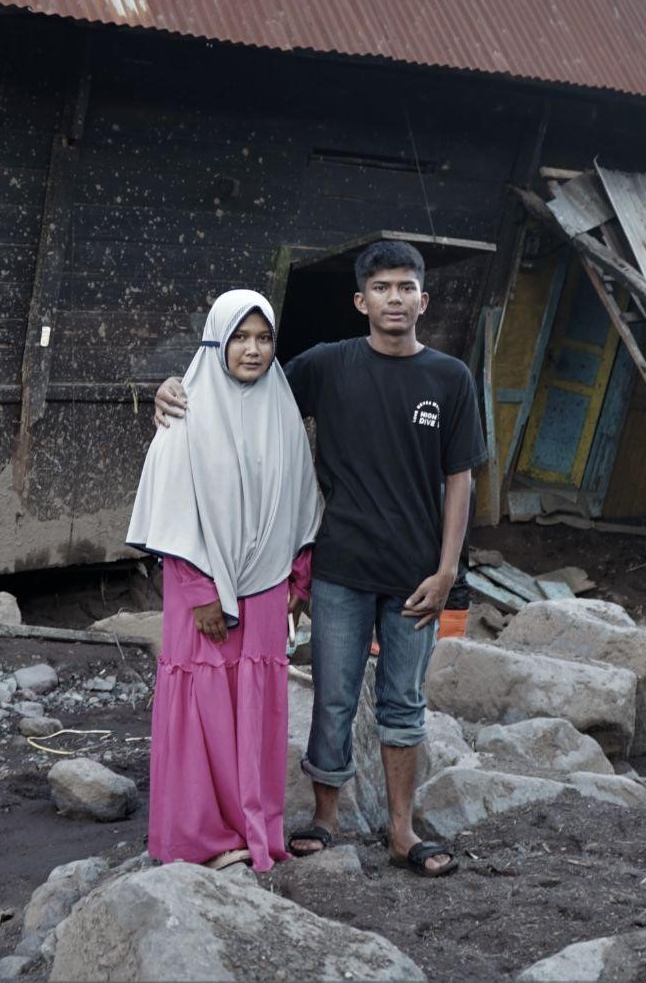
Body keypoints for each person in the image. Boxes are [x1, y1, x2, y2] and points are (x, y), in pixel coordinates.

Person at [155, 241, 485, 879]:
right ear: (360, 301)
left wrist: (448, 571)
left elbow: (460, 480)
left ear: (424, 298)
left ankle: (400, 830)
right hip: (340, 568)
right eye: (382, 287)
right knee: (332, 697)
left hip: (418, 575)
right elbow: (238, 382)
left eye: (406, 286)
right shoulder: (326, 366)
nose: (395, 297)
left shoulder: (450, 378)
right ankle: (326, 821)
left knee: (404, 701)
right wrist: (171, 385)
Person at [127, 289, 321, 872]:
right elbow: (172, 508)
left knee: (254, 708)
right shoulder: (186, 412)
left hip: (265, 588)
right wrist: (199, 591)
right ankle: (197, 838)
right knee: (202, 708)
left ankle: (250, 830)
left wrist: (298, 579)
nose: (254, 350)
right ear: (216, 341)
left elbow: (298, 498)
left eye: (263, 338)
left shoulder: (282, 408)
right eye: (240, 337)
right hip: (202, 594)